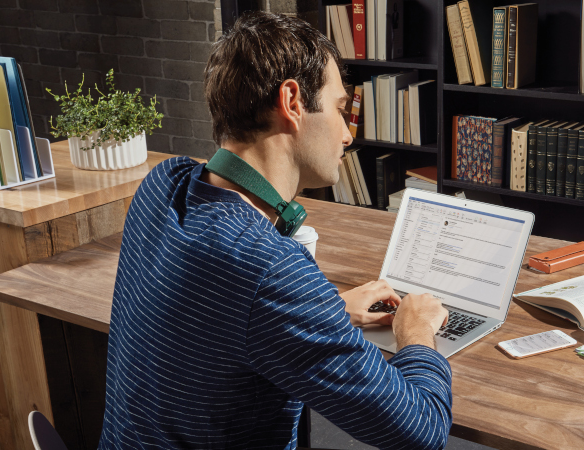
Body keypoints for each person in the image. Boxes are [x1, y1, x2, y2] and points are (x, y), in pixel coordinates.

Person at [98, 11, 452, 450]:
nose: (347, 136)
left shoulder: (162, 184)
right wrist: (415, 331)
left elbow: (215, 317)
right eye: (341, 109)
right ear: (292, 102)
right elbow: (423, 431)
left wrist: (323, 312)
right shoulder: (268, 268)